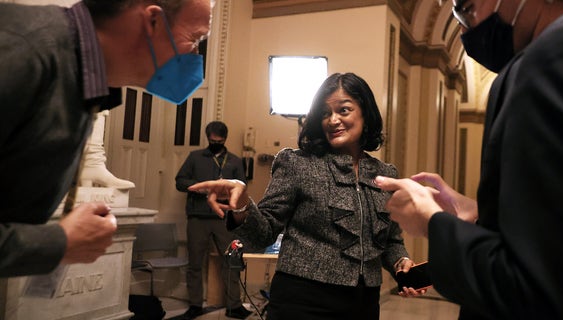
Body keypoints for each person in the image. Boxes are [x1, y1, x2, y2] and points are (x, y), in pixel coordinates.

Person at [374, 0, 563, 319]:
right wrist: (481, 213)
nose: (463, 29)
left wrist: (431, 221)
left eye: (467, 9)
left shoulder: (560, 57)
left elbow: (535, 290)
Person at [0, 0, 213, 277]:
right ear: (153, 21)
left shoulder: (81, 79)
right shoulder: (22, 51)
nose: (196, 56)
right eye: (195, 39)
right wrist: (56, 243)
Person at [188, 72, 421, 320]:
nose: (332, 120)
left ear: (365, 112)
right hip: (302, 301)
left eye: (344, 110)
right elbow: (263, 234)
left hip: (364, 304)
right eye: (324, 113)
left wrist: (401, 263)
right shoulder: (297, 164)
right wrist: (243, 204)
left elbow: (391, 241)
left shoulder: (386, 174)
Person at [175, 121, 252, 320]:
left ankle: (234, 306)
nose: (215, 143)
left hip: (224, 219)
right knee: (195, 263)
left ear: (225, 139)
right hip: (197, 218)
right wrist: (202, 188)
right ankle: (195, 306)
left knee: (231, 262)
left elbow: (242, 186)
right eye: (211, 140)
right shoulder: (195, 157)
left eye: (219, 141)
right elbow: (180, 181)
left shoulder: (234, 161)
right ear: (207, 137)